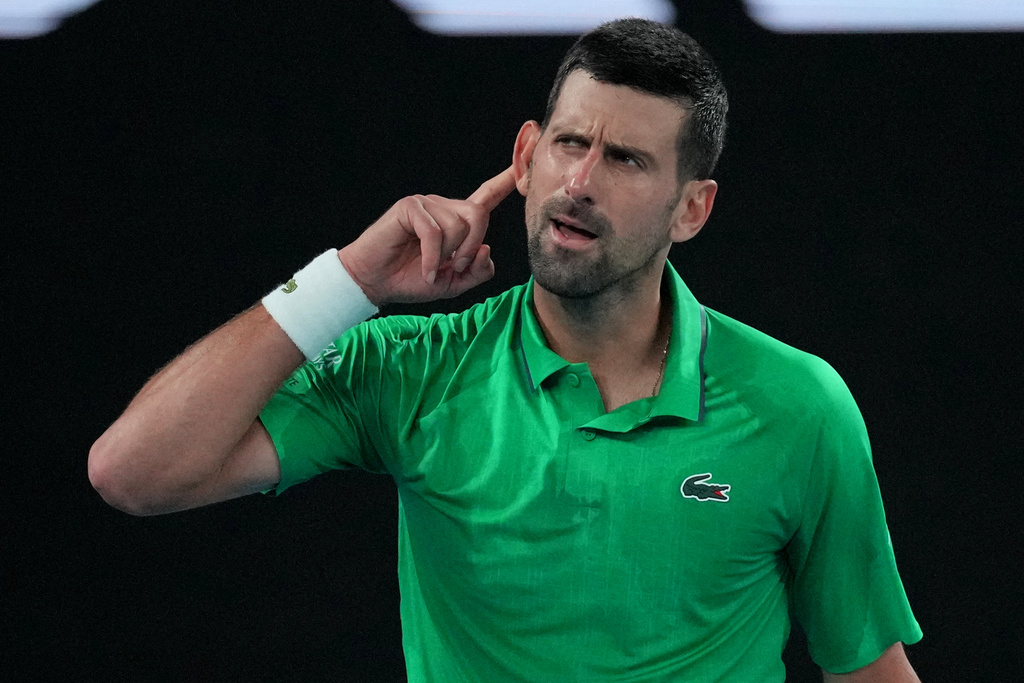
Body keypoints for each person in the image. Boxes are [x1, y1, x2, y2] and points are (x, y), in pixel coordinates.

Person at [89, 18, 922, 682]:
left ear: (691, 209)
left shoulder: (799, 405)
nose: (580, 183)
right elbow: (133, 471)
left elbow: (868, 669)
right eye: (569, 143)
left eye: (626, 159)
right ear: (525, 156)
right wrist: (348, 281)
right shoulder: (411, 367)